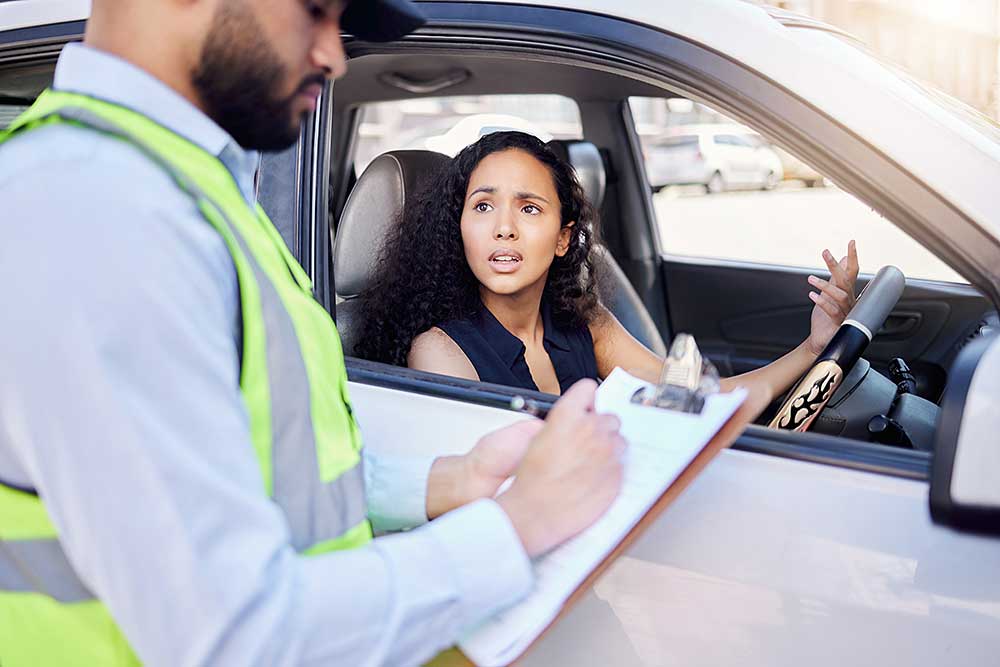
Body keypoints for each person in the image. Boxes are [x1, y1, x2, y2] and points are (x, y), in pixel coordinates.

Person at [0, 2, 628, 666]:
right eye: (315, 12)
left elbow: (267, 470)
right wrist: (518, 524)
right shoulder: (96, 214)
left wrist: (451, 479)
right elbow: (235, 633)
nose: (333, 54)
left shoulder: (184, 190)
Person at [359, 131, 859, 402]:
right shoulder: (440, 352)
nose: (504, 228)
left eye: (529, 208)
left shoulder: (585, 323)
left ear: (562, 238)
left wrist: (815, 347)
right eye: (483, 206)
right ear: (460, 227)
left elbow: (704, 399)